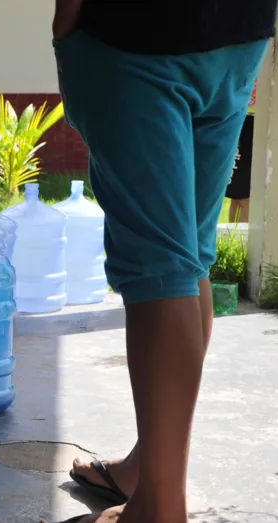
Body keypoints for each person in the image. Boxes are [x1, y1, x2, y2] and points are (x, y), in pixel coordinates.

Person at [51, 1, 274, 522]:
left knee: (160, 265)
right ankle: (152, 471)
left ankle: (158, 508)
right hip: (239, 33)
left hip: (138, 35)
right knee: (186, 256)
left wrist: (67, 20)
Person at [226, 84, 256, 223]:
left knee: (241, 197)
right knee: (240, 197)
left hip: (249, 120)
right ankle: (238, 236)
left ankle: (236, 237)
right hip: (244, 119)